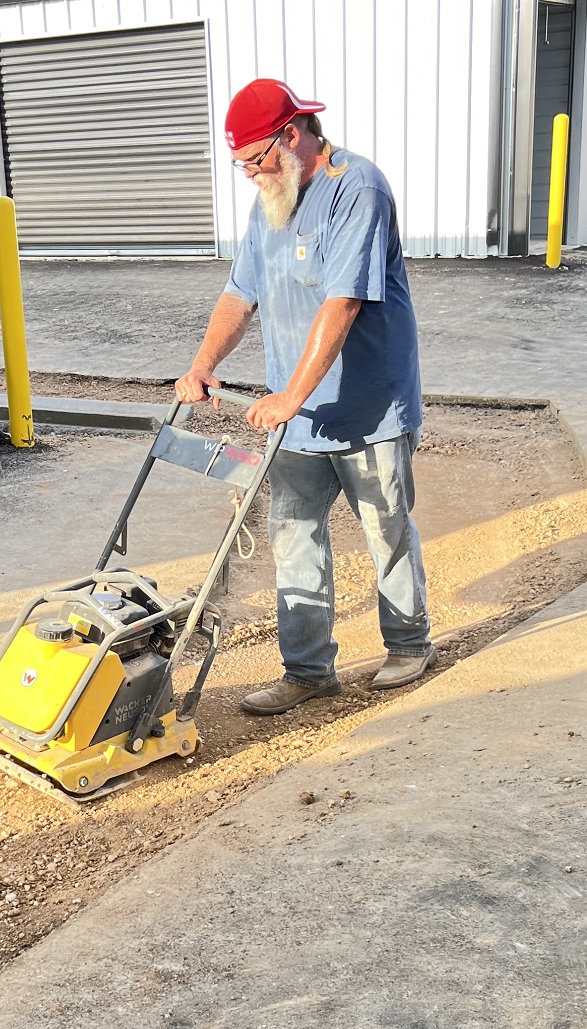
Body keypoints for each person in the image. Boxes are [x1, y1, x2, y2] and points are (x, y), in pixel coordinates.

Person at [175, 78, 433, 715]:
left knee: (385, 529)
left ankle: (408, 644)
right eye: (241, 166)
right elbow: (240, 294)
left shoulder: (357, 188)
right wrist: (202, 364)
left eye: (254, 160)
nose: (250, 176)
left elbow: (341, 302)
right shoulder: (272, 198)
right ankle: (308, 671)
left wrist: (290, 394)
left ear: (291, 137)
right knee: (294, 536)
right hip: (296, 415)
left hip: (369, 407)